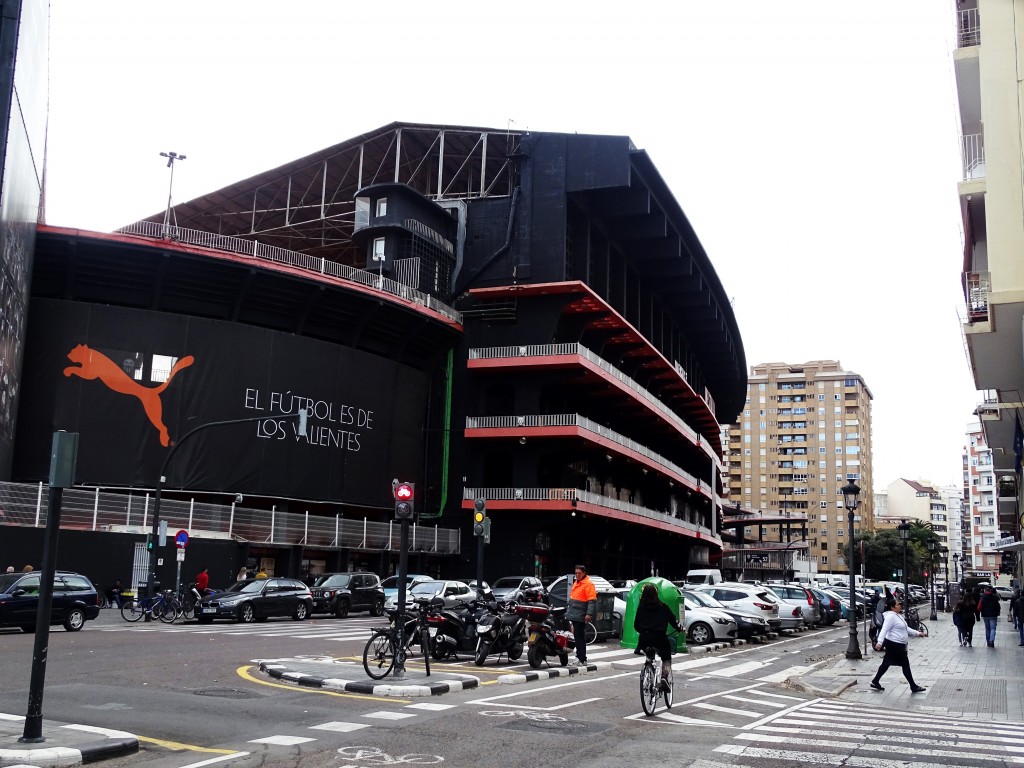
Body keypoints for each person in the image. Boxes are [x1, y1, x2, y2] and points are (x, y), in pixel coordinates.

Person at [633, 583, 683, 691]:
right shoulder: (663, 606)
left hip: (645, 638)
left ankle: (648, 671)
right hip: (660, 638)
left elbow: (636, 625)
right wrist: (680, 628)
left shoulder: (641, 608)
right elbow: (674, 621)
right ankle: (664, 677)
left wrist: (643, 630)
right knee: (666, 658)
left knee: (649, 654)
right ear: (656, 594)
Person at [870, 597, 927, 693]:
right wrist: (879, 642)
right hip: (894, 644)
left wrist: (918, 633)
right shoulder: (891, 617)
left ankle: (875, 681)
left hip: (898, 645)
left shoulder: (898, 616)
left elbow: (906, 628)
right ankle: (913, 686)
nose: (900, 605)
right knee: (905, 664)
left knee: (886, 664)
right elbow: (884, 629)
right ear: (892, 607)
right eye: (897, 604)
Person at [565, 564, 596, 667]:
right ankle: (581, 658)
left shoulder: (588, 584)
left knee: (579, 637)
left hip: (581, 614)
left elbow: (591, 600)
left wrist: (588, 614)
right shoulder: (577, 583)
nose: (577, 575)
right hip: (575, 614)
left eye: (579, 573)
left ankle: (581, 658)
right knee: (578, 637)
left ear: (584, 573)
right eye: (576, 573)